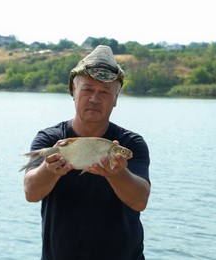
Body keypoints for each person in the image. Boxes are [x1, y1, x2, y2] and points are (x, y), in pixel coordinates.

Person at [23, 45, 151, 260]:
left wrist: (117, 174)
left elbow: (140, 201)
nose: (94, 98)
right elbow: (31, 193)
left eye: (104, 92)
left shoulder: (131, 144)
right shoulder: (49, 139)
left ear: (116, 98)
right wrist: (50, 169)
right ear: (74, 92)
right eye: (88, 90)